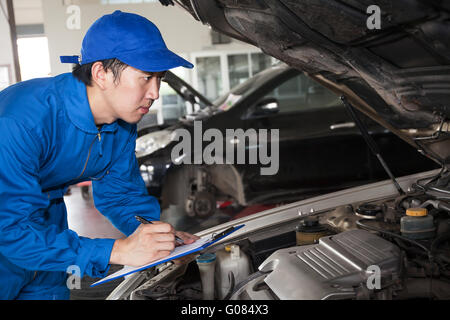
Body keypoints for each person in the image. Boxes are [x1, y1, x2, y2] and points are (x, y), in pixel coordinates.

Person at [0, 10, 199, 300]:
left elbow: (121, 196)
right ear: (101, 73)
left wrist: (159, 237)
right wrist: (119, 250)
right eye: (145, 77)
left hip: (47, 231)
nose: (155, 92)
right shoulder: (20, 121)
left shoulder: (121, 126)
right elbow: (11, 231)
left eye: (160, 78)